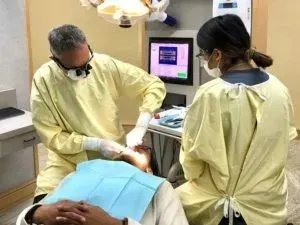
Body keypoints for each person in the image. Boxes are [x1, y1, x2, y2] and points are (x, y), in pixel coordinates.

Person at [176, 14, 298, 225]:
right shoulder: (279, 89)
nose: (204, 61)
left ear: (216, 54)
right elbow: (284, 141)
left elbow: (192, 166)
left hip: (224, 211)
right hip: (268, 205)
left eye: (203, 55)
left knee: (164, 202)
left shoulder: (210, 94)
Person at [31, 24, 166, 201]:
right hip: (68, 159)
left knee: (138, 199)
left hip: (115, 155)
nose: (86, 73)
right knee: (44, 203)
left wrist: (141, 125)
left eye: (88, 64)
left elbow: (153, 85)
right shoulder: (44, 80)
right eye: (77, 70)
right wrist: (94, 144)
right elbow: (52, 136)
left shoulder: (104, 64)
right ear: (55, 60)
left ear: (88, 46)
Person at [16, 154, 189, 225]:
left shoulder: (158, 188)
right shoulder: (79, 174)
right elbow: (21, 220)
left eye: (142, 151)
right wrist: (38, 213)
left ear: (149, 171)